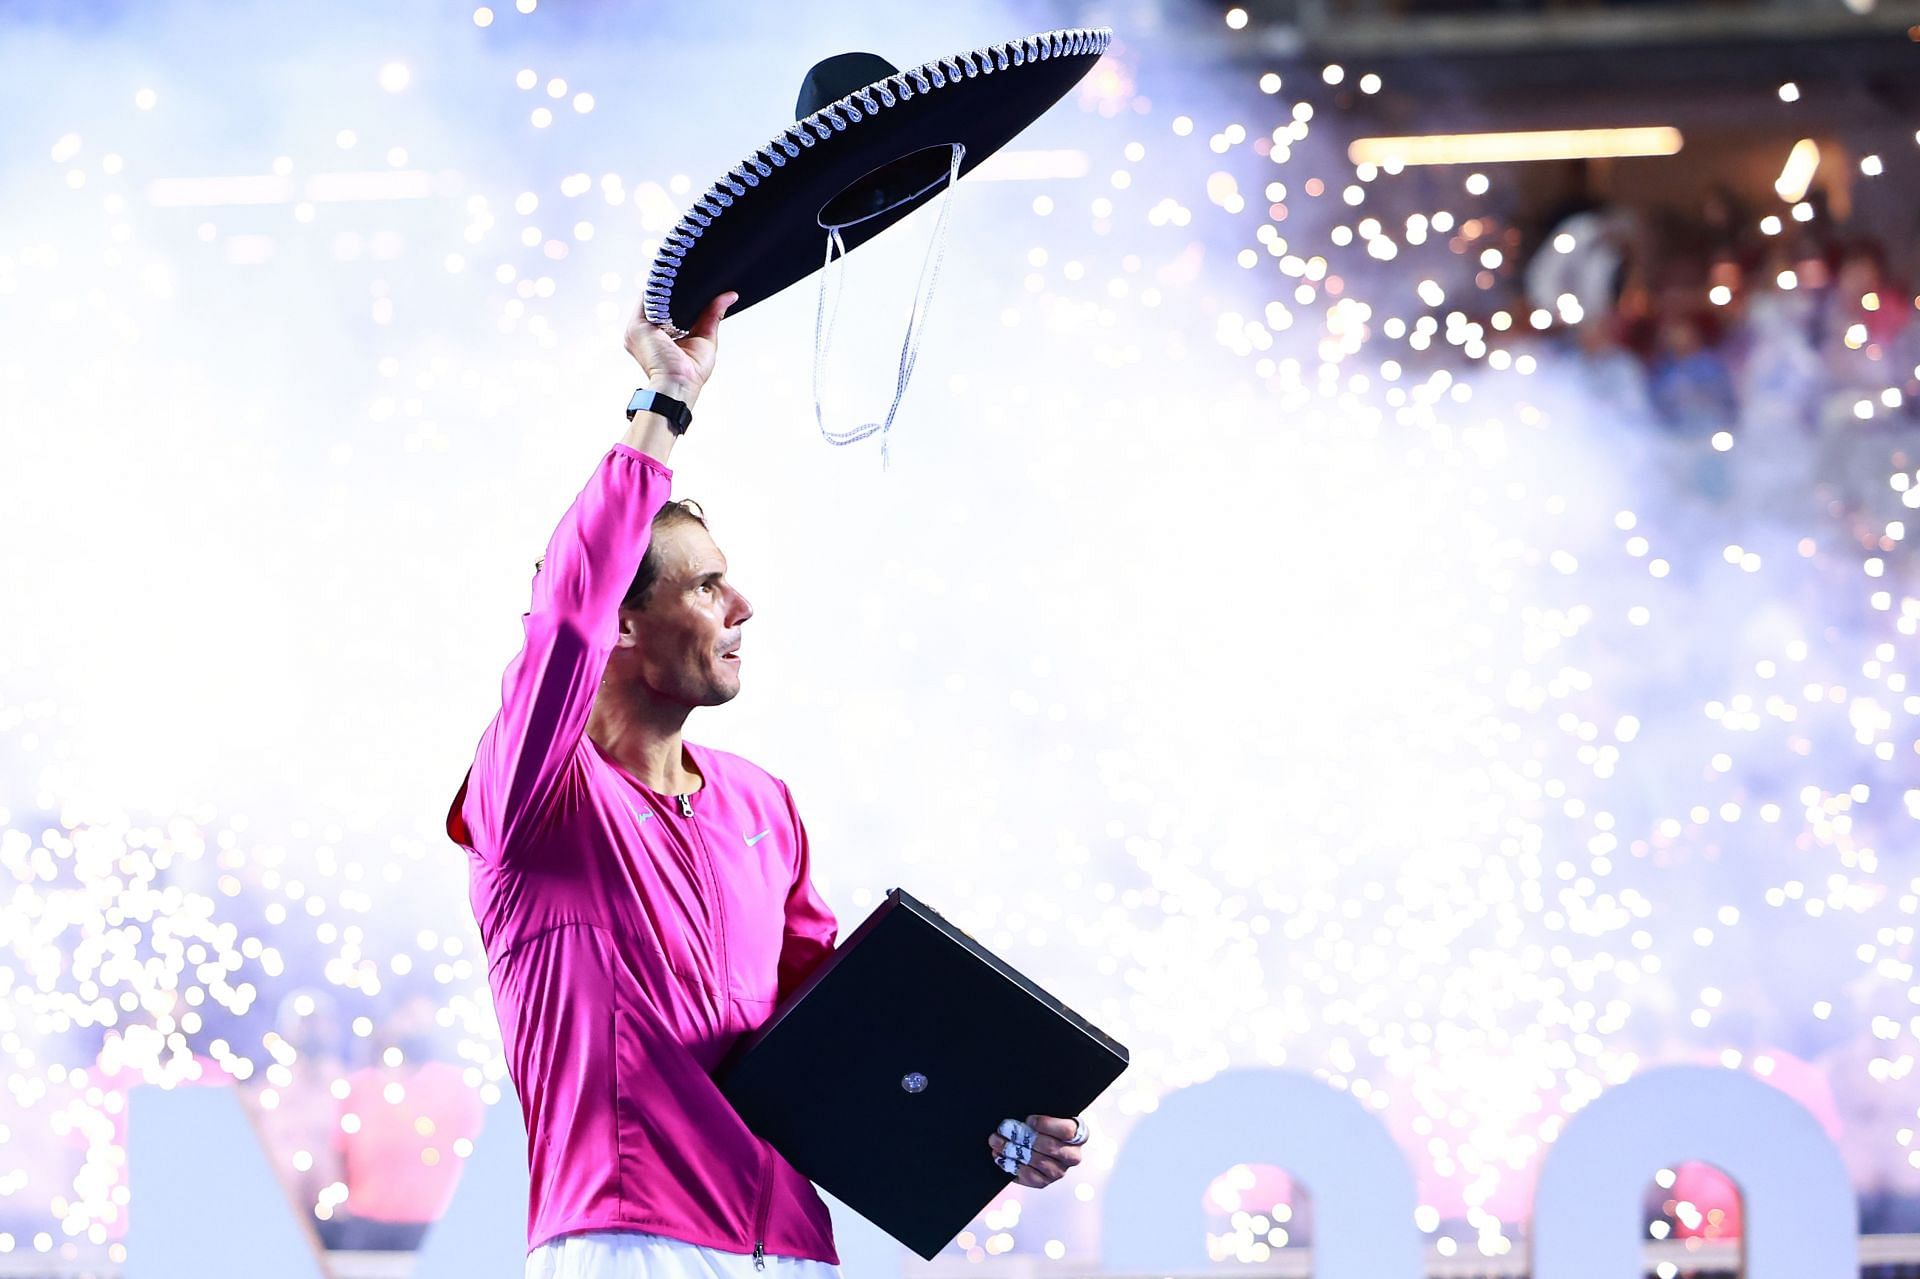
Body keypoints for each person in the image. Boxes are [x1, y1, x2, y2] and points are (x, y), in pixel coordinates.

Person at [446, 291, 1088, 1279]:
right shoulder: (536, 797)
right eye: (705, 585)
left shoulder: (762, 805)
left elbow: (839, 1047)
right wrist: (662, 403)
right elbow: (561, 619)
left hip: (794, 1249)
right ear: (623, 622)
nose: (741, 604)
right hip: (628, 1243)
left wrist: (987, 1126)